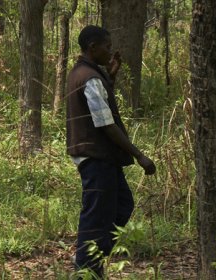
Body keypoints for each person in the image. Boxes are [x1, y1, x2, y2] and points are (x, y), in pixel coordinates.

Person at [63, 25, 156, 279]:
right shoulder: (89, 77)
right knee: (95, 216)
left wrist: (111, 78)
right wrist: (139, 155)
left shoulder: (86, 73)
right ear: (92, 48)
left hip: (101, 157)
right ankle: (86, 269)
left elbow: (99, 104)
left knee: (122, 205)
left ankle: (93, 261)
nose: (110, 50)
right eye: (106, 46)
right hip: (95, 157)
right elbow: (105, 123)